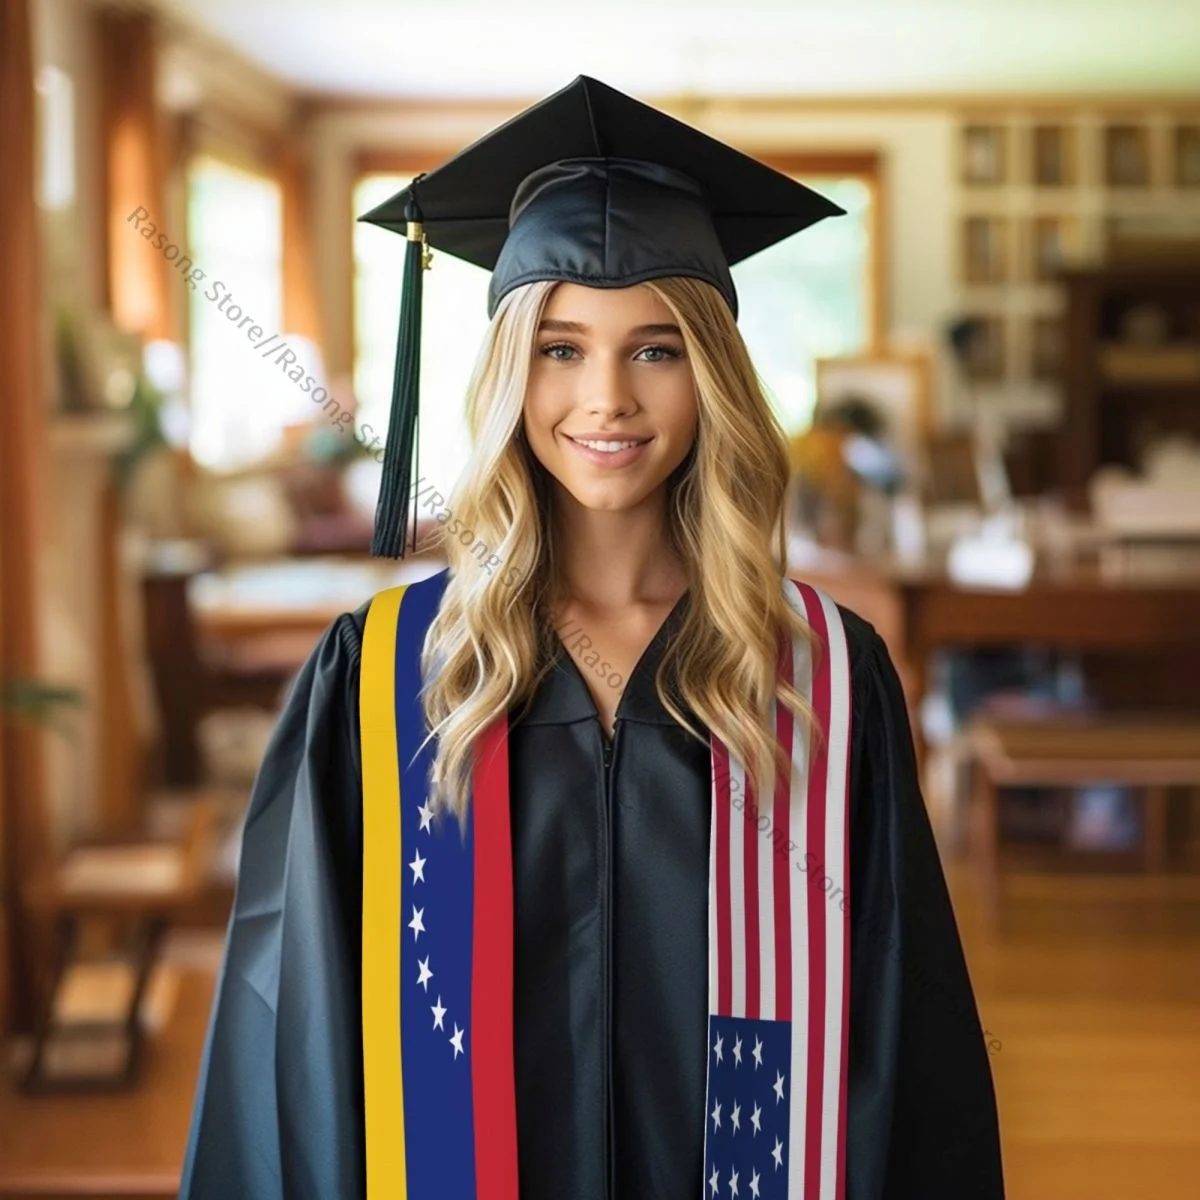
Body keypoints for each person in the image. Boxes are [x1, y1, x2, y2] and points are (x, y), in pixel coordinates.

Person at [180, 76, 1004, 1200]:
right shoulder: (384, 674)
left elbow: (910, 1032)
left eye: (656, 349)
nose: (605, 397)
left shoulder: (821, 670)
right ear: (511, 372)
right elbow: (296, 1032)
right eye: (562, 348)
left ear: (711, 375)